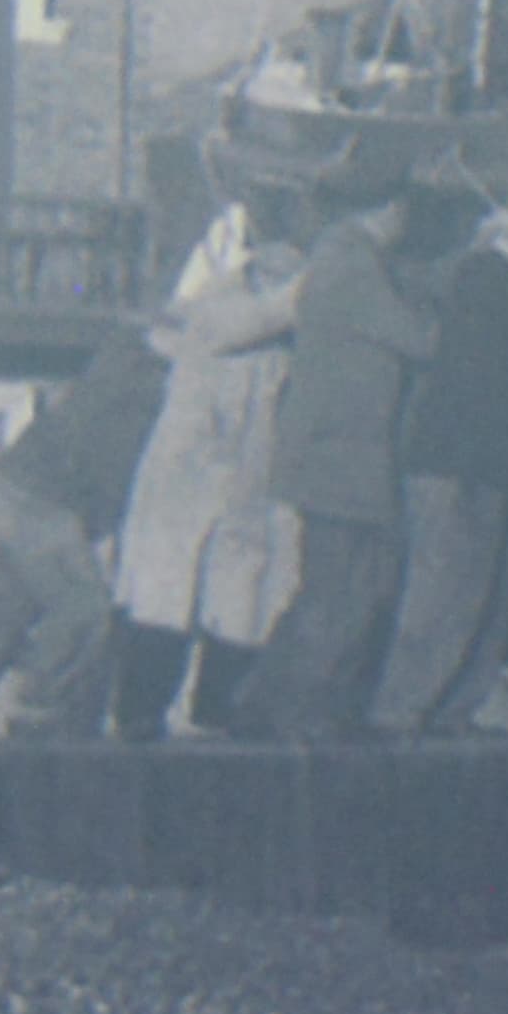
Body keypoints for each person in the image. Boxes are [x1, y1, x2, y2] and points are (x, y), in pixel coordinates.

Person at [369, 193, 508, 738]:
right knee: (445, 591)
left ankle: (449, 706)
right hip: (461, 465)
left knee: (475, 594)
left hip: (490, 467)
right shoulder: (487, 279)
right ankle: (402, 708)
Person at [236, 144, 437, 742]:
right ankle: (294, 712)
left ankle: (267, 706)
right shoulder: (353, 265)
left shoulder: (346, 260)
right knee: (338, 592)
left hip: (337, 456)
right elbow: (418, 339)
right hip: (337, 459)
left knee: (341, 588)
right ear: (391, 209)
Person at [111, 204, 306, 741]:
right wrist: (313, 285)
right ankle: (137, 715)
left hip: (249, 479)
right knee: (164, 594)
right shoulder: (218, 303)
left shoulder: (289, 330)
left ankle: (213, 712)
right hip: (188, 475)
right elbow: (245, 325)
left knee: (240, 597)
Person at [0, 323, 170, 738]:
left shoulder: (127, 360)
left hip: (18, 487)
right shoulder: (146, 385)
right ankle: (32, 710)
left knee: (6, 607)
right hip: (45, 500)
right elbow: (114, 471)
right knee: (83, 606)